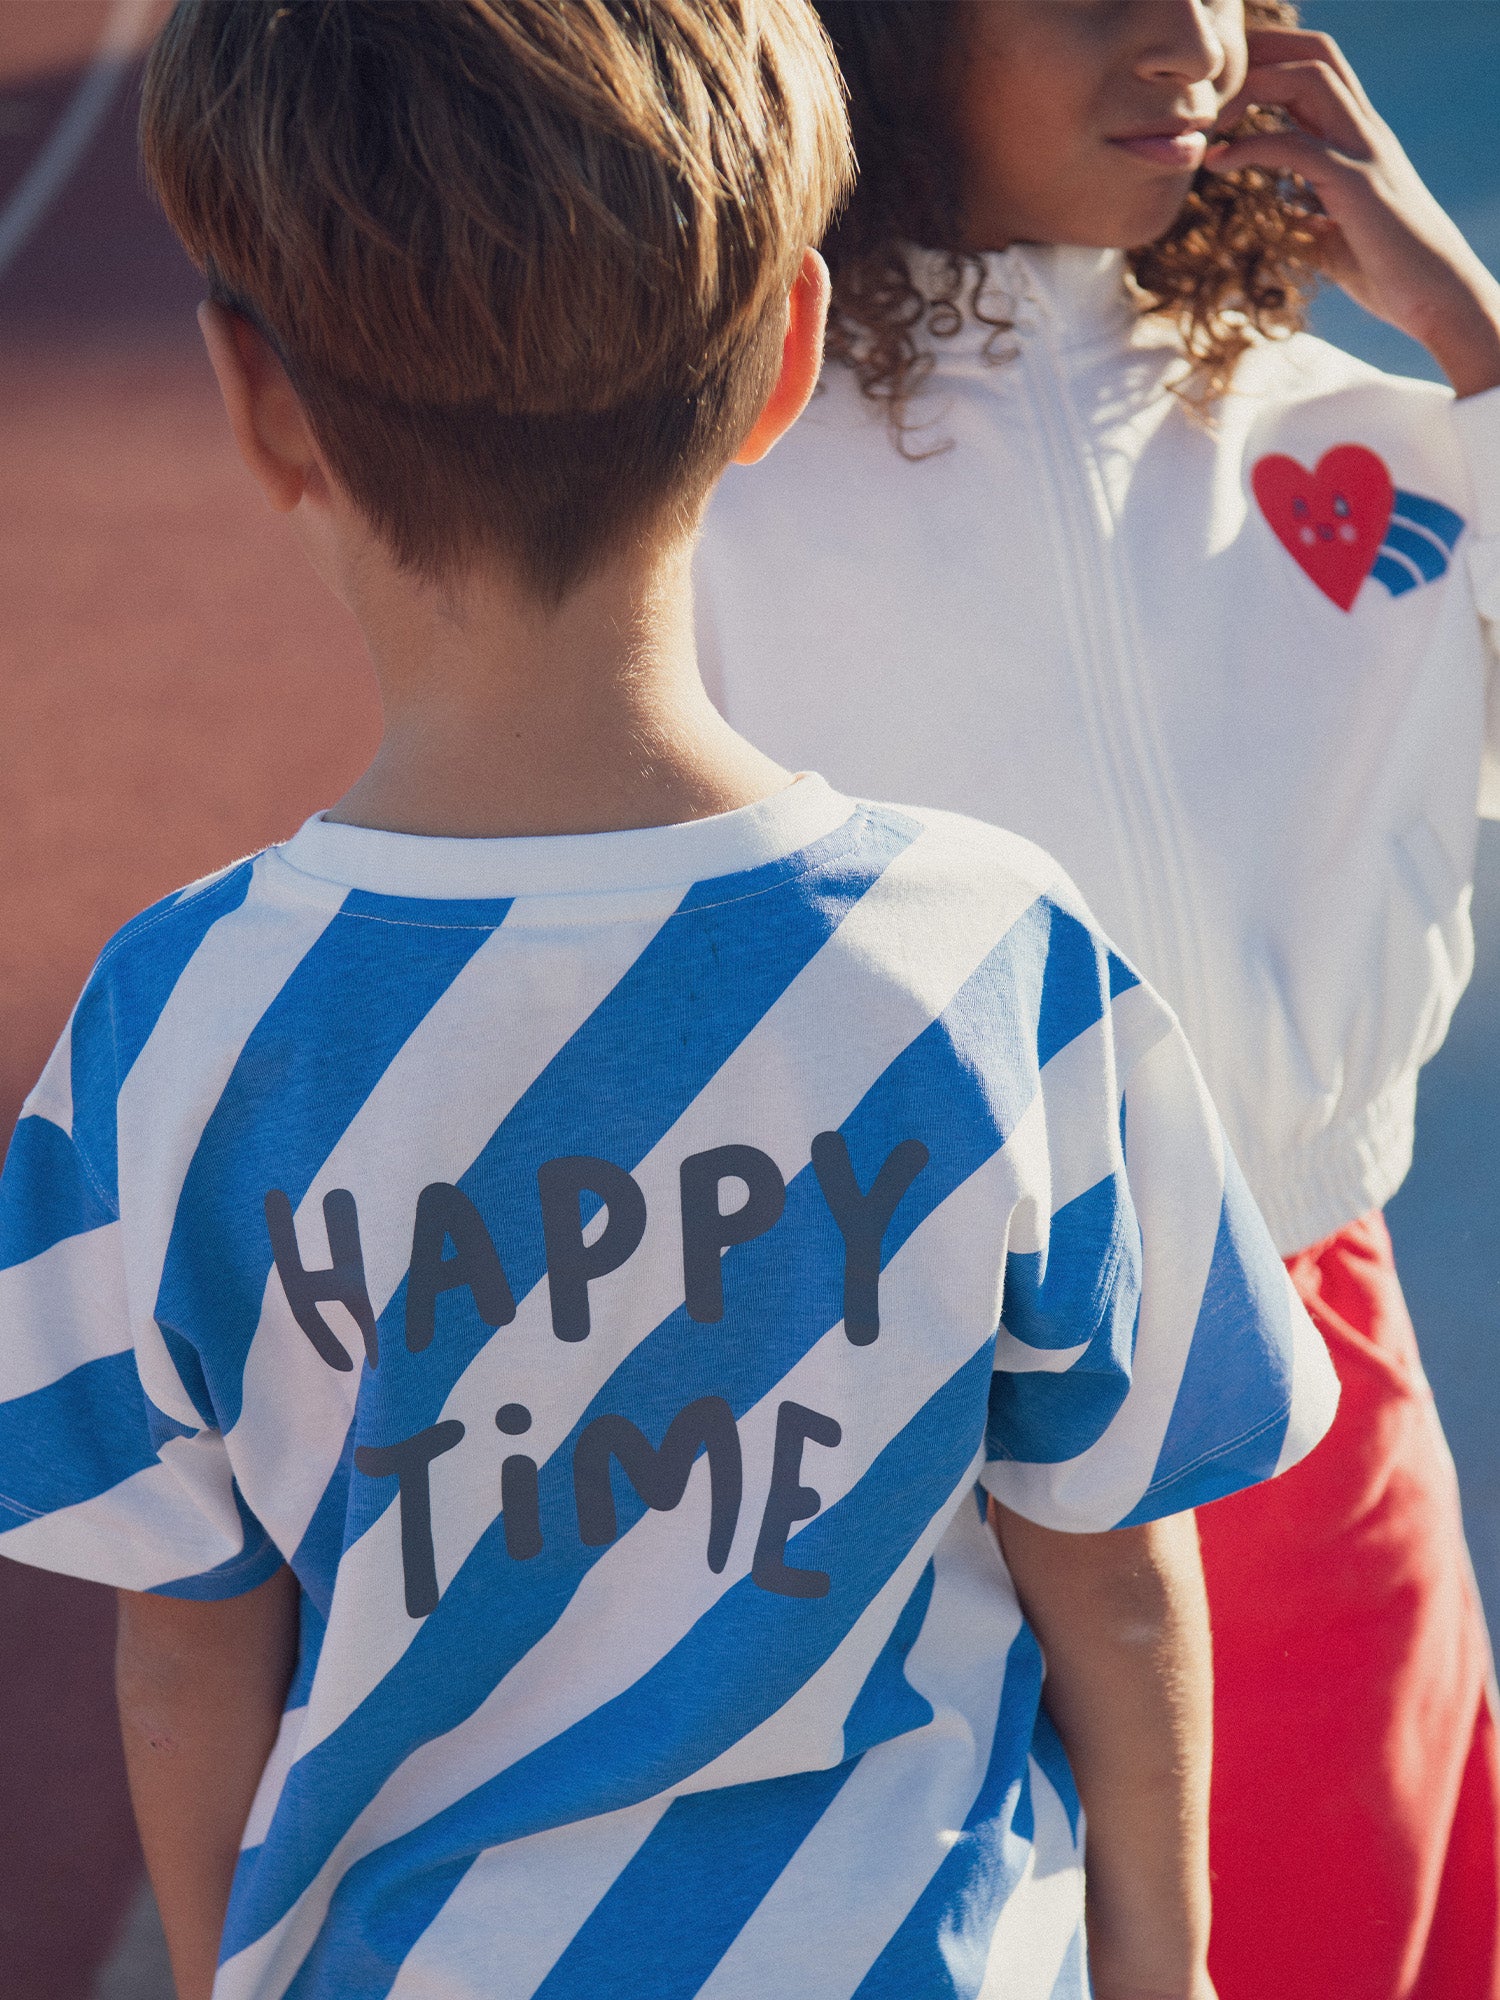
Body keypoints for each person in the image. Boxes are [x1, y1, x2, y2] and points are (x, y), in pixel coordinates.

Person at [0, 3, 1342, 1998]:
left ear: (258, 403)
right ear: (788, 355)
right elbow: (1117, 1576)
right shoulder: (995, 953)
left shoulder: (166, 1027)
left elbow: (190, 1638)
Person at [692, 2, 1500, 1996]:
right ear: (878, 43)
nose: (1183, 38)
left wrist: (1466, 325)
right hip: (894, 1447)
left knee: (1342, 1931)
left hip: (1307, 1404)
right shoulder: (720, 469)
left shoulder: (1344, 436)